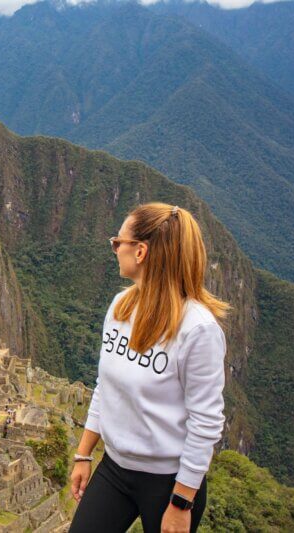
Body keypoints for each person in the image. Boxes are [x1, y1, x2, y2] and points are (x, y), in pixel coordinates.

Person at [69, 203, 229, 533]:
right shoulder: (121, 308)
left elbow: (206, 421)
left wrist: (182, 502)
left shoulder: (197, 329)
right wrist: (84, 454)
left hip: (168, 483)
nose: (115, 249)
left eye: (118, 242)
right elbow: (105, 386)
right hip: (115, 468)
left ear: (140, 251)